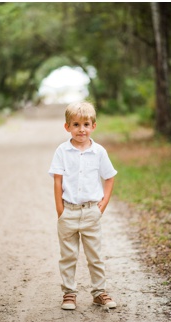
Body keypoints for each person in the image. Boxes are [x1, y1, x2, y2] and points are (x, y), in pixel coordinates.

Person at [47, 101, 117, 310]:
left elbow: (109, 177)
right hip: (68, 211)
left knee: (95, 256)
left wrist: (102, 205)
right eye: (76, 124)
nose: (81, 129)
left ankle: (99, 292)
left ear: (93, 126)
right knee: (68, 256)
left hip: (91, 212)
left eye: (86, 124)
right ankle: (69, 293)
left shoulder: (99, 152)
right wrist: (60, 210)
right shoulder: (62, 151)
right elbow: (57, 180)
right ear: (67, 126)